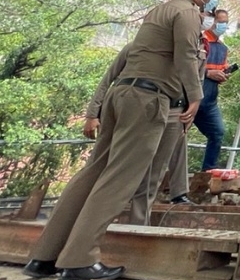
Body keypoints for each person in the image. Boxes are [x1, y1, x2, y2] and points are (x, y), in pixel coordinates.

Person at [23, 0, 213, 280]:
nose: (212, 1)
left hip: (122, 94)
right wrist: (195, 95)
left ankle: (44, 255)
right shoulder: (188, 12)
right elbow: (185, 56)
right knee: (120, 180)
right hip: (149, 100)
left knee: (93, 172)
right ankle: (79, 259)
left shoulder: (159, 10)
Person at [81, 47, 192, 225]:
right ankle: (91, 221)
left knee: (152, 177)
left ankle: (139, 226)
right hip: (140, 108)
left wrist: (188, 117)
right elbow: (107, 79)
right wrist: (92, 114)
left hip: (174, 113)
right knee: (114, 165)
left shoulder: (187, 53)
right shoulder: (137, 47)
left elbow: (194, 86)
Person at [193, 9, 232, 172]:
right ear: (211, 21)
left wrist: (223, 75)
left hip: (210, 102)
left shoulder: (223, 48)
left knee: (217, 132)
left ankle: (208, 170)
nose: (222, 25)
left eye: (225, 22)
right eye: (220, 21)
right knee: (175, 136)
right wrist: (209, 73)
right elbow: (188, 66)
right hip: (192, 98)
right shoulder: (199, 42)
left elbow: (221, 69)